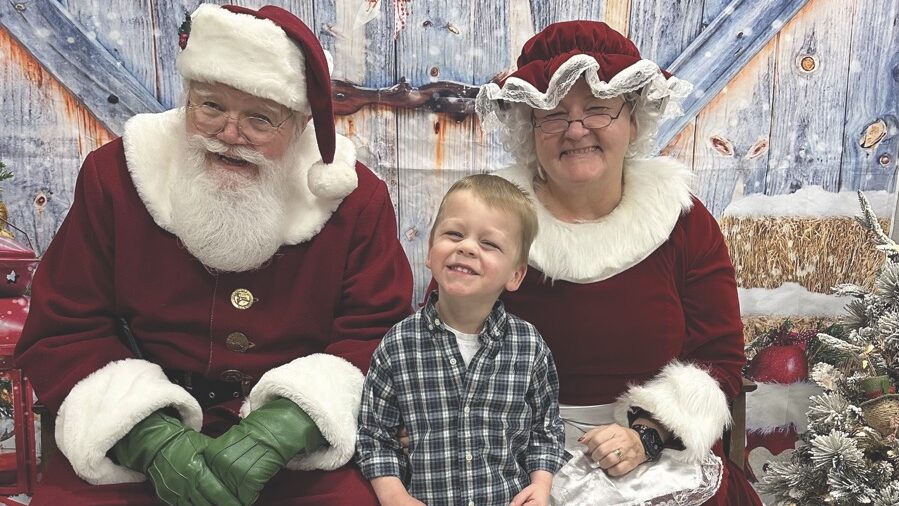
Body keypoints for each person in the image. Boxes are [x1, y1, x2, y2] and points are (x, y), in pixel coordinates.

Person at [14, 4, 412, 505]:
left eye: (260, 119)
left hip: (295, 455)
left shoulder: (354, 202)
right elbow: (66, 326)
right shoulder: (116, 178)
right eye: (210, 106)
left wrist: (292, 422)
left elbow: (378, 334)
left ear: (302, 125)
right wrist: (148, 437)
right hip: (134, 443)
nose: (228, 134)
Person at [473, 21, 763, 505]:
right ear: (530, 128)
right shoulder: (492, 215)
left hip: (653, 450)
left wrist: (647, 434)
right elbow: (448, 335)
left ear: (633, 121)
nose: (576, 129)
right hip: (518, 451)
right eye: (553, 115)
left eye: (598, 110)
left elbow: (719, 359)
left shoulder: (682, 222)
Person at [357, 174, 567, 506]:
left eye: (490, 243)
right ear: (429, 252)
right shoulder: (398, 346)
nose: (466, 247)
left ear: (515, 275)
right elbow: (375, 437)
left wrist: (540, 486)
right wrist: (394, 495)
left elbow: (546, 430)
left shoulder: (529, 347)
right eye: (454, 234)